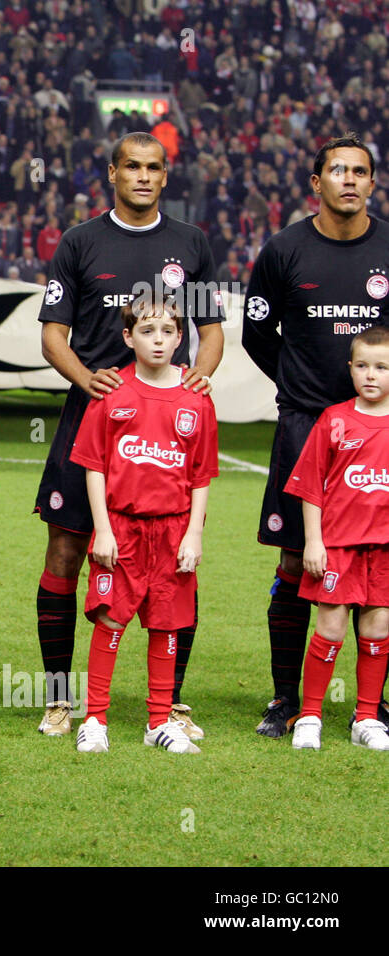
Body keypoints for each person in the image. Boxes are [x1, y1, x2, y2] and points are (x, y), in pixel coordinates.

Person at [34, 131, 222, 738]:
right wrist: (88, 378)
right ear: (112, 173)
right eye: (132, 167)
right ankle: (61, 697)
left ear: (166, 176)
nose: (143, 176)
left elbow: (211, 329)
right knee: (66, 551)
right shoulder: (81, 241)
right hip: (92, 415)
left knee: (174, 558)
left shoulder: (190, 243)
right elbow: (53, 334)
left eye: (154, 168)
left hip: (166, 423)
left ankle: (171, 703)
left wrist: (200, 377)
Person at [242, 133, 389, 738]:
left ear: (372, 184)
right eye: (338, 171)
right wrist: (298, 383)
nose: (349, 180)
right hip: (305, 425)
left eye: (360, 172)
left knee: (381, 560)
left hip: (379, 432)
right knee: (296, 557)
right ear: (316, 183)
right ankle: (286, 700)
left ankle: (372, 706)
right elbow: (255, 331)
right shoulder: (284, 249)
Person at [70, 298, 218, 754]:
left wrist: (194, 533)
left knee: (167, 625)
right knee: (111, 619)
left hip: (173, 530)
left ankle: (159, 720)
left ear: (180, 338)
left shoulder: (196, 399)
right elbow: (94, 466)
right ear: (128, 338)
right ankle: (94, 719)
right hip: (122, 526)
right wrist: (104, 529)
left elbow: (201, 475)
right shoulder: (111, 393)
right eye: (148, 331)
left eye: (168, 331)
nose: (158, 340)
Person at [284, 326, 389, 751]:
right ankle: (310, 715)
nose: (371, 375)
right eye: (362, 365)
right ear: (349, 368)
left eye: (381, 367)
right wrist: (314, 541)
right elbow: (311, 485)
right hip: (339, 546)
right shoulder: (335, 420)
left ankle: (366, 717)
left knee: (379, 625)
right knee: (330, 626)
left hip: (383, 548)